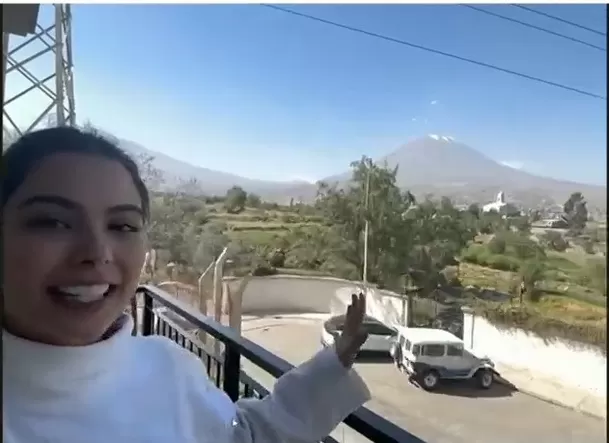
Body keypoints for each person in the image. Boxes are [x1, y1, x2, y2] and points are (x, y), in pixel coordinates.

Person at [2, 127, 372, 443]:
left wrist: (333, 363)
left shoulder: (168, 366)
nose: (97, 253)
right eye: (52, 222)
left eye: (123, 226)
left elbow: (241, 436)